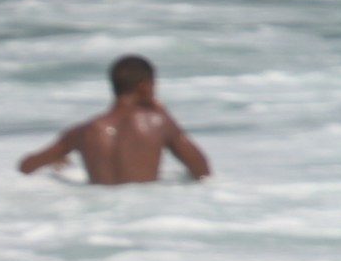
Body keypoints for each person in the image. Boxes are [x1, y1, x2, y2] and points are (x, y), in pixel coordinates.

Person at [18, 55, 211, 185]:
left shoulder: (84, 131)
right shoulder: (159, 123)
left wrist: (57, 161)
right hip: (147, 216)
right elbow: (202, 170)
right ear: (144, 87)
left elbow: (26, 166)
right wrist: (167, 117)